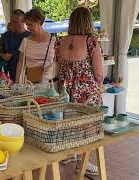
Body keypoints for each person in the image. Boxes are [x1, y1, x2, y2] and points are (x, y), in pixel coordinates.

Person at [56, 6, 103, 175]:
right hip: (86, 92)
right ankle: (84, 163)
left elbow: (58, 67)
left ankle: (70, 154)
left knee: (69, 123)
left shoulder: (60, 41)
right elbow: (98, 72)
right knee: (88, 127)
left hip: (65, 89)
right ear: (88, 22)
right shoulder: (91, 40)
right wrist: (99, 85)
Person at [15, 9, 56, 90]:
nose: (28, 28)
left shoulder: (53, 40)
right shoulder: (25, 41)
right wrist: (17, 82)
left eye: (30, 25)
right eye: (27, 25)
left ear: (39, 22)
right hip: (29, 83)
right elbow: (20, 62)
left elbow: (56, 61)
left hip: (49, 83)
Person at [0, 9, 30, 81]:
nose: (12, 24)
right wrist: (3, 55)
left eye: (15, 22)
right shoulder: (6, 35)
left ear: (23, 21)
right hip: (8, 76)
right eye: (11, 22)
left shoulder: (30, 36)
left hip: (25, 75)